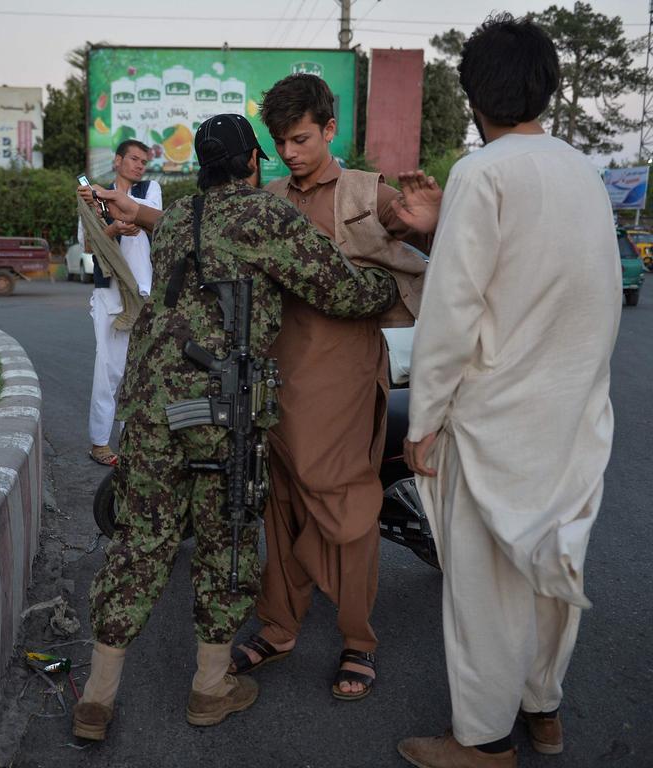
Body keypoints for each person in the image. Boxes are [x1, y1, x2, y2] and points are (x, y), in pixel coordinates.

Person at [72, 114, 398, 742]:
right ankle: (210, 687)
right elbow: (339, 291)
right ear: (253, 163)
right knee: (226, 537)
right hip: (220, 408)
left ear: (202, 164)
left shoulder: (179, 220)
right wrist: (390, 282)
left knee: (141, 539)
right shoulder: (264, 216)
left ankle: (96, 698)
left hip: (148, 406)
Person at [397, 15, 620, 768]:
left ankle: (484, 742)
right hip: (573, 415)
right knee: (554, 570)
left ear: (472, 98)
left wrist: (423, 419)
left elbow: (454, 311)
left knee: (484, 587)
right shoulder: (581, 173)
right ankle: (543, 712)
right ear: (547, 89)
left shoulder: (482, 173)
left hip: (495, 419)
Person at [229, 73, 436, 700]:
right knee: (283, 501)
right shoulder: (266, 198)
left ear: (328, 129)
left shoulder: (366, 194)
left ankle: (358, 639)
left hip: (343, 375)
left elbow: (429, 238)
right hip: (273, 377)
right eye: (280, 142)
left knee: (344, 503)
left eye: (300, 139)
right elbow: (210, 227)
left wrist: (430, 223)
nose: (290, 153)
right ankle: (279, 625)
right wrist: (143, 216)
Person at [80, 139, 162, 466]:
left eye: (144, 161)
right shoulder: (91, 199)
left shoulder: (149, 191)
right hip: (109, 291)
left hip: (142, 292)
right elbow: (89, 243)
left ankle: (131, 440)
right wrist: (112, 228)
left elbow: (148, 217)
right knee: (108, 368)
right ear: (118, 160)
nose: (139, 165)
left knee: (139, 372)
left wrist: (106, 199)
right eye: (133, 159)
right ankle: (100, 442)